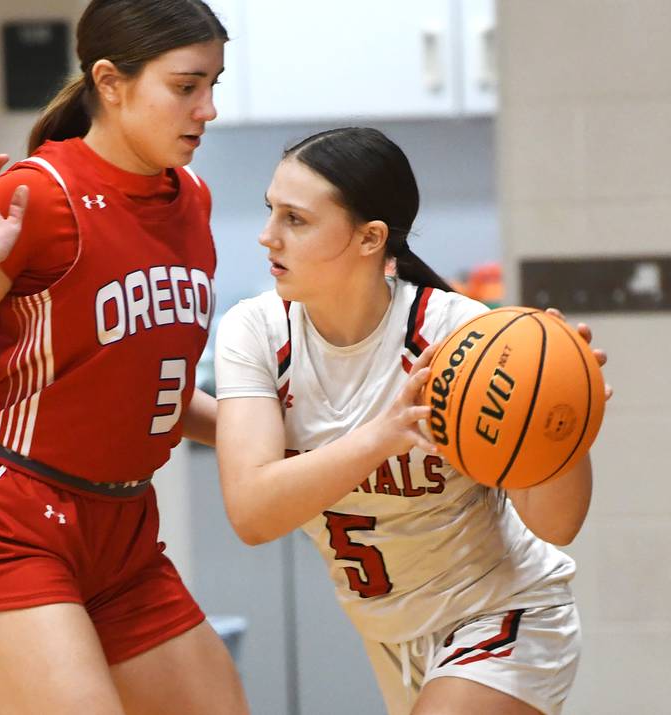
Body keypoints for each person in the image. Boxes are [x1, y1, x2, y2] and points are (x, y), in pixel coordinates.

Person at [0, 1, 249, 713]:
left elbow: (156, 396)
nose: (207, 108)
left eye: (215, 84)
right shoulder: (38, 193)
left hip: (124, 533)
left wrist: (290, 434)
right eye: (186, 86)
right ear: (110, 83)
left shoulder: (193, 198)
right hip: (11, 524)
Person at [214, 127, 609, 715]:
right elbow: (252, 512)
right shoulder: (256, 331)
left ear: (370, 237)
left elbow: (555, 525)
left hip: (499, 615)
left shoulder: (457, 337)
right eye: (271, 211)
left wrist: (560, 423)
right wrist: (384, 434)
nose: (268, 236)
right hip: (386, 631)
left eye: (295, 219)